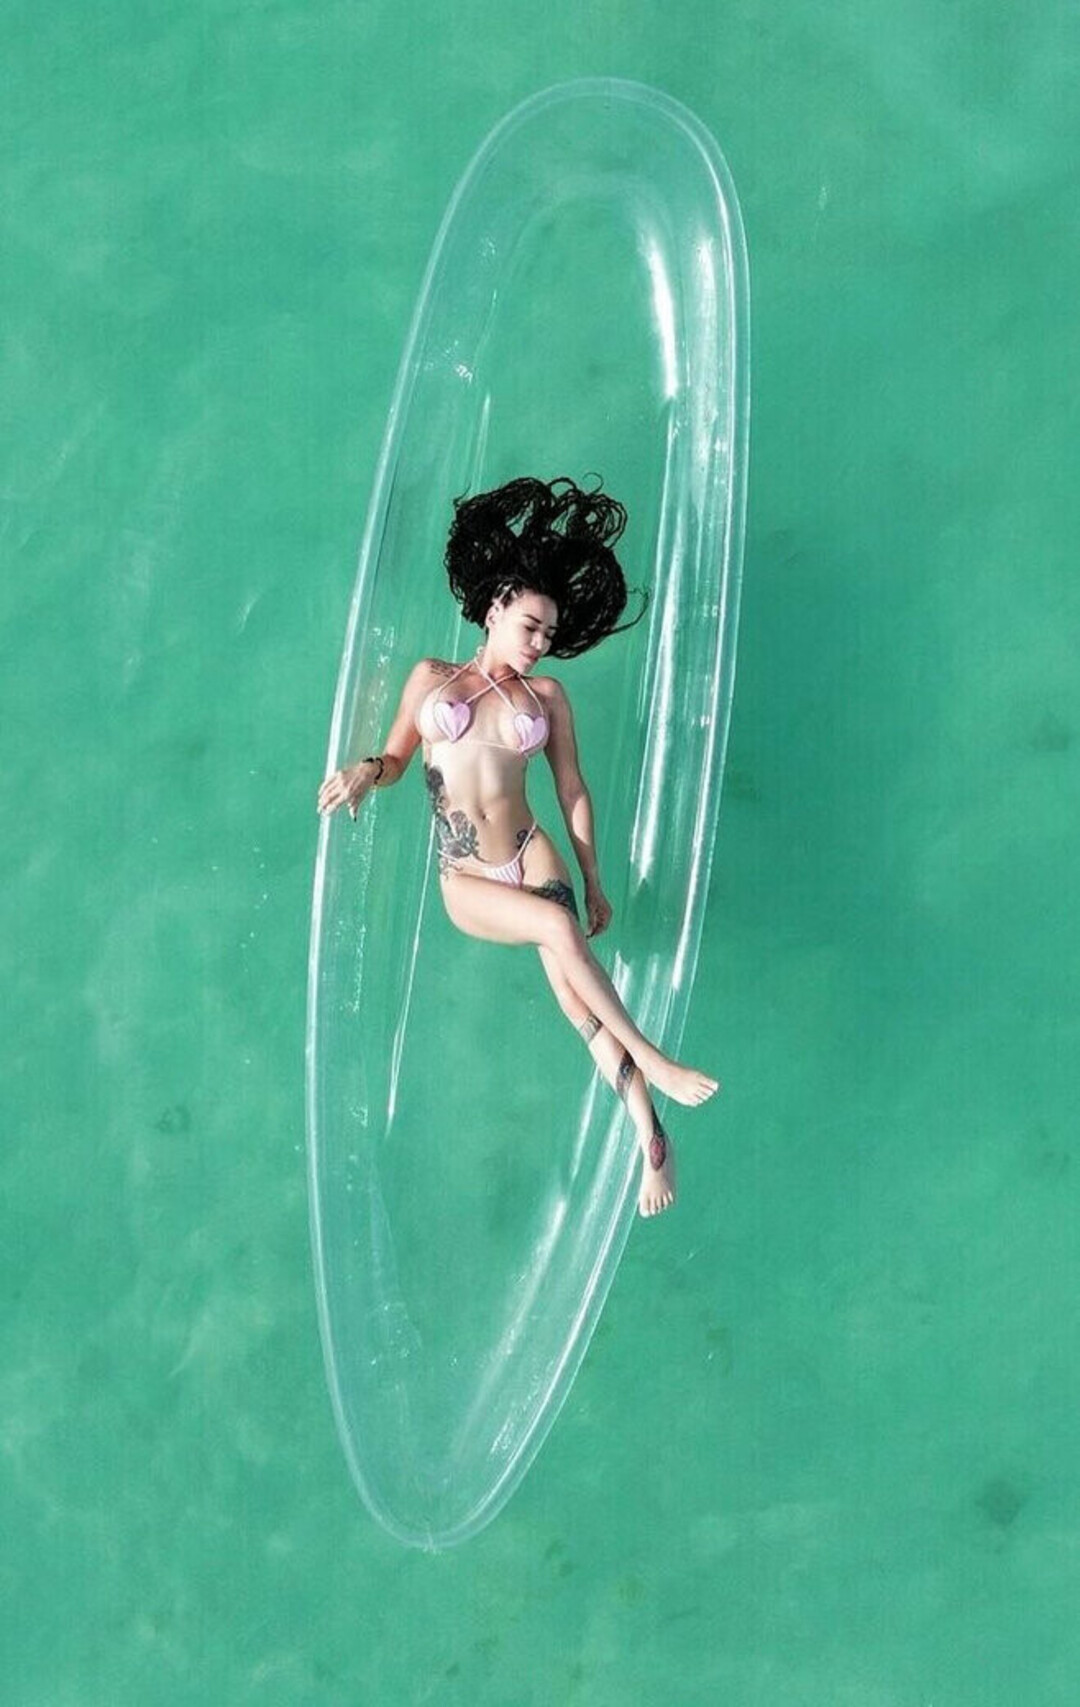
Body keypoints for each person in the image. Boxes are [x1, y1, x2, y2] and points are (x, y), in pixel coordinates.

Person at [317, 475, 718, 1215]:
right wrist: (364, 773)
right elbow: (399, 759)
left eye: (549, 636)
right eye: (531, 626)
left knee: (576, 998)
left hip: (531, 848)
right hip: (466, 874)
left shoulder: (547, 699)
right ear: (496, 605)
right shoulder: (433, 679)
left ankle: (651, 1138)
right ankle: (655, 1060)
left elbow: (572, 790)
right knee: (558, 932)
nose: (540, 645)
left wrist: (593, 877)